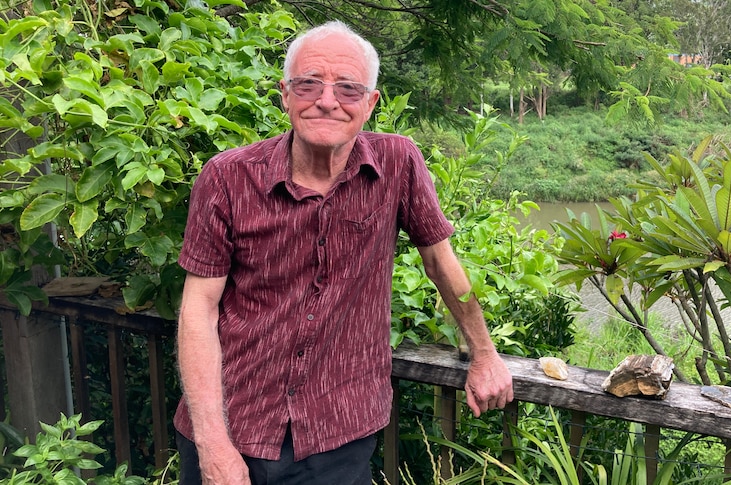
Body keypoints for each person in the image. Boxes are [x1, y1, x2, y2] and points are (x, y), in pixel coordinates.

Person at [173, 20, 514, 485]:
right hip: (233, 424)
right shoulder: (228, 178)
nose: (327, 100)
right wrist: (213, 444)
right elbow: (199, 307)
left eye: (349, 89)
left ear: (371, 103)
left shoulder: (398, 163)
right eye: (309, 83)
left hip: (337, 433)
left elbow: (440, 262)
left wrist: (485, 353)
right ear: (285, 94)